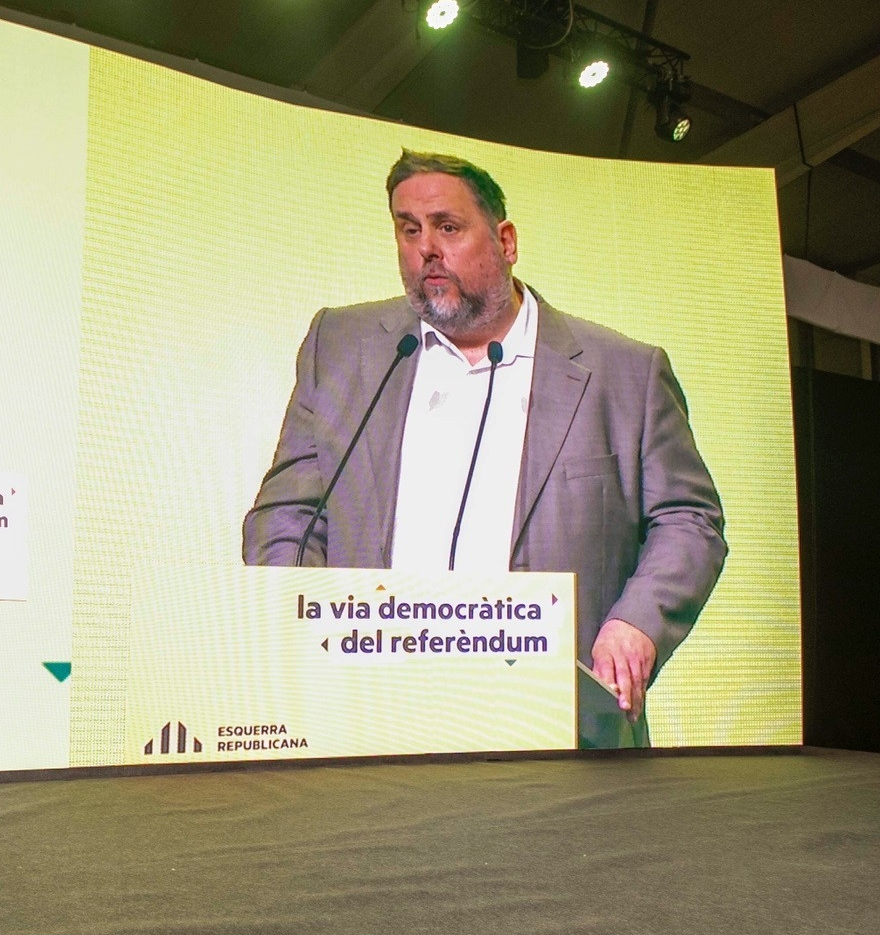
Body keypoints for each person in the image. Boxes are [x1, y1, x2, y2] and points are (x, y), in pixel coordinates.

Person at [243, 150, 726, 749]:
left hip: (556, 727)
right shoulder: (340, 346)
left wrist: (636, 624)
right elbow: (286, 516)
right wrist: (306, 628)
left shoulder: (624, 372)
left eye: (447, 227)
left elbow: (689, 519)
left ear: (506, 240)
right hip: (370, 715)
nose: (426, 248)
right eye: (408, 228)